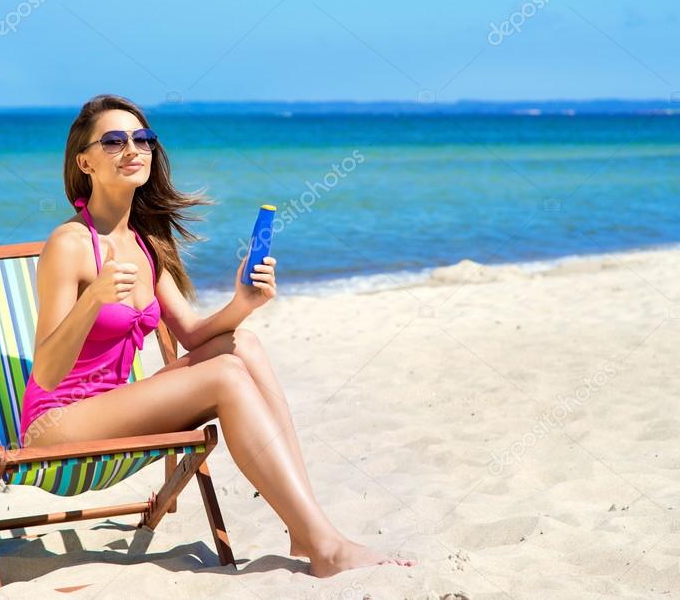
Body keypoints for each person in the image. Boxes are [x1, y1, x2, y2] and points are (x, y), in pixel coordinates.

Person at [21, 94, 415, 577]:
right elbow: (45, 369)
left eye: (143, 139)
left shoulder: (144, 243)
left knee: (241, 344)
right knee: (225, 375)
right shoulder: (71, 244)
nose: (133, 149)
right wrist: (91, 301)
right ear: (85, 161)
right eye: (114, 140)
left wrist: (241, 305)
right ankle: (323, 543)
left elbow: (190, 334)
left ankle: (306, 528)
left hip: (113, 407)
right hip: (57, 425)